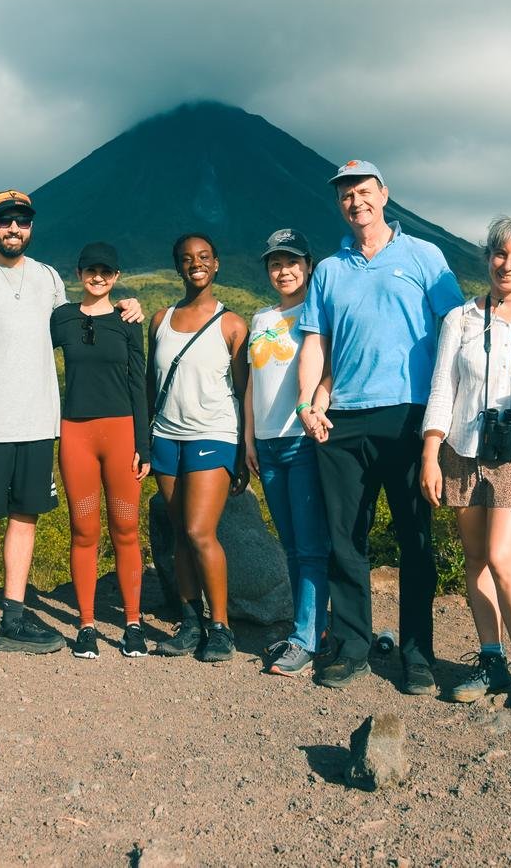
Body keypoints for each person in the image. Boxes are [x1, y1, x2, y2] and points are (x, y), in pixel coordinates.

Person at [0, 189, 142, 675]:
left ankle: (14, 618)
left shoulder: (48, 279)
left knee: (25, 518)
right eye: (5, 221)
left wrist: (126, 308)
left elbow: (79, 322)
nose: (13, 229)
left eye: (21, 221)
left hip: (40, 421)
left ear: (31, 227)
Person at [296, 160, 465, 693]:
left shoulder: (424, 256)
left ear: (384, 194)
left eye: (364, 191)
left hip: (409, 415)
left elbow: (456, 331)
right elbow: (315, 341)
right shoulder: (329, 270)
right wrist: (307, 402)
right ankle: (351, 647)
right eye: (346, 195)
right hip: (341, 420)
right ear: (339, 203)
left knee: (416, 539)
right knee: (345, 539)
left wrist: (448, 413)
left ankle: (418, 654)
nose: (356, 202)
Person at [420, 216, 511, 708]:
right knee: (475, 558)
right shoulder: (460, 318)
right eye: (500, 253)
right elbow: (443, 387)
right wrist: (430, 453)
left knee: (502, 556)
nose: (508, 264)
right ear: (487, 257)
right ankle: (491, 659)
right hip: (462, 448)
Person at [147, 233, 251, 663]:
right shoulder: (160, 320)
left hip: (213, 435)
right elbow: (150, 385)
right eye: (187, 258)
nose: (196, 264)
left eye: (204, 256)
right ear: (178, 266)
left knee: (198, 531)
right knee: (180, 535)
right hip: (166, 437)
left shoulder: (232, 325)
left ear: (216, 263)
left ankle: (220, 627)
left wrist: (244, 451)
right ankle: (191, 623)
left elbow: (244, 393)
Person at [50, 242, 150, 660]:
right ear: (78, 274)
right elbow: (25, 354)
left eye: (106, 271)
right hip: (76, 435)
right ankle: (86, 624)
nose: (98, 277)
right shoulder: (62, 318)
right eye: (91, 270)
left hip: (122, 434)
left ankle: (133, 624)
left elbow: (138, 382)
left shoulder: (128, 320)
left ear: (116, 276)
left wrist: (143, 444)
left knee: (126, 529)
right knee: (84, 530)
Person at [244, 229, 331, 677]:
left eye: (292, 262)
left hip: (302, 440)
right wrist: (249, 438)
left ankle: (305, 638)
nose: (284, 271)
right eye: (276, 263)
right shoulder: (260, 317)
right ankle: (310, 629)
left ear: (308, 265)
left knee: (311, 545)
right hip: (267, 443)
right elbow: (251, 384)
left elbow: (328, 372)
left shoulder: (317, 312)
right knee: (292, 546)